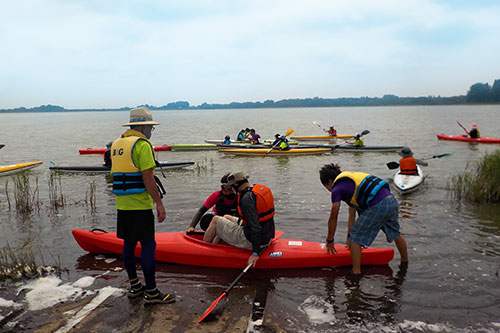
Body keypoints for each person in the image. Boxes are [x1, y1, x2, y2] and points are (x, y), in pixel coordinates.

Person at [110, 106, 175, 304]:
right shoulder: (142, 145)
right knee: (148, 245)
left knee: (128, 245)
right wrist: (159, 203)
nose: (150, 132)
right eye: (150, 128)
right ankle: (152, 292)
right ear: (144, 127)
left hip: (122, 205)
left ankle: (135, 285)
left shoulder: (117, 144)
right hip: (140, 206)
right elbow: (148, 177)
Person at [319, 163, 408, 274]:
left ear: (330, 182)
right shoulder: (350, 183)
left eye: (326, 187)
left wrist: (330, 241)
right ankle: (405, 264)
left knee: (355, 238)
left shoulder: (337, 188)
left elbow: (333, 216)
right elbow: (352, 215)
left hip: (378, 204)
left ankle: (356, 273)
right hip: (391, 200)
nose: (328, 190)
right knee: (395, 233)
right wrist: (348, 241)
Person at [203, 171, 276, 267]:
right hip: (266, 235)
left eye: (232, 187)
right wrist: (271, 235)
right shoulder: (257, 191)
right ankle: (216, 246)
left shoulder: (246, 199)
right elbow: (270, 216)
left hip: (250, 240)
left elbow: (255, 227)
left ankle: (203, 249)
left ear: (236, 184)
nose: (232, 190)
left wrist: (255, 253)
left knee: (216, 219)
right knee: (226, 217)